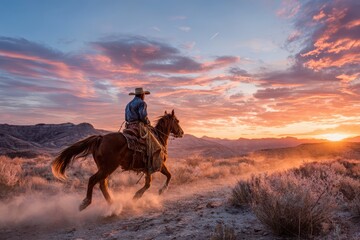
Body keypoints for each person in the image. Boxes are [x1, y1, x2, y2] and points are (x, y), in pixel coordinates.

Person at [125, 88, 165, 173]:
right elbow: (143, 116)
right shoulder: (142, 103)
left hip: (129, 126)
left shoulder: (128, 104)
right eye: (144, 95)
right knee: (156, 145)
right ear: (142, 95)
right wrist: (148, 123)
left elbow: (126, 117)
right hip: (138, 127)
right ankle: (151, 166)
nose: (144, 97)